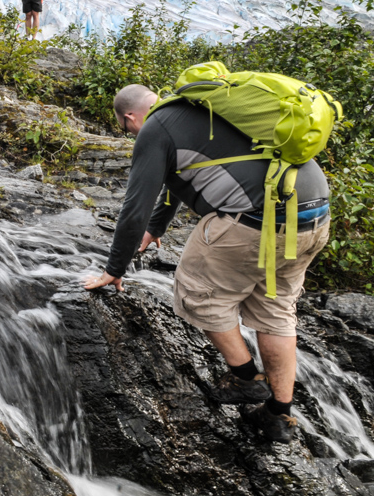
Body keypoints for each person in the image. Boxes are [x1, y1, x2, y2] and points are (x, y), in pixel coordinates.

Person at [83, 83, 331, 443]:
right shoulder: (204, 109)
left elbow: (135, 204)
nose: (131, 134)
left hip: (257, 219)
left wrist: (114, 269)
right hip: (314, 215)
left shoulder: (155, 127)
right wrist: (156, 228)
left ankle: (245, 379)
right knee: (275, 311)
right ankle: (278, 415)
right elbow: (177, 177)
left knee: (195, 291)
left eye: (126, 129)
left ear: (130, 117)